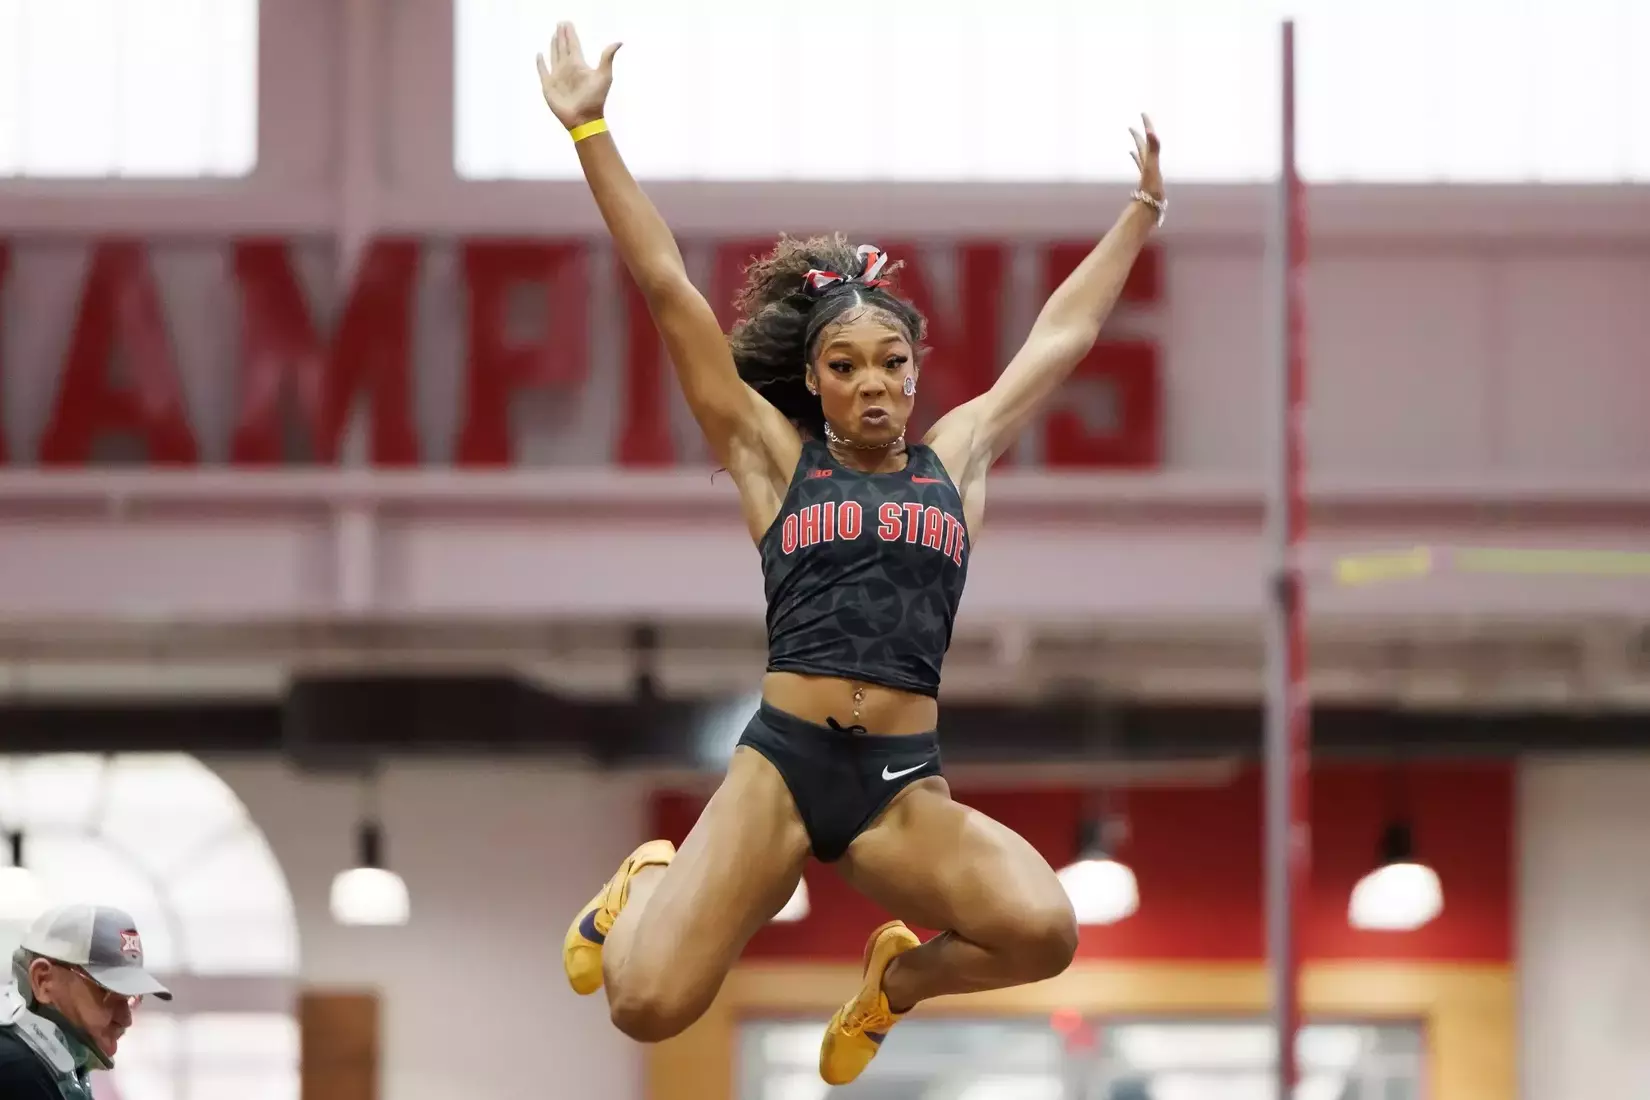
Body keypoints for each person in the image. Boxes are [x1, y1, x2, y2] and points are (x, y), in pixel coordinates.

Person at [539, 20, 1164, 1085]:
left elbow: (1061, 339)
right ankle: (646, 878)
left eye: (892, 361)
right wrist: (590, 126)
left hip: (899, 785)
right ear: (816, 379)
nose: (873, 382)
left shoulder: (954, 460)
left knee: (1046, 931)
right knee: (643, 1006)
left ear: (916, 372)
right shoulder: (773, 461)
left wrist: (1141, 214)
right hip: (784, 763)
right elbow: (667, 291)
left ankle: (897, 982)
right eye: (845, 364)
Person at [0, 904, 172, 1100]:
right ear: (43, 981)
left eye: (131, 997)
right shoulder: (17, 1074)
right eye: (107, 991)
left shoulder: (51, 1073)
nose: (125, 1019)